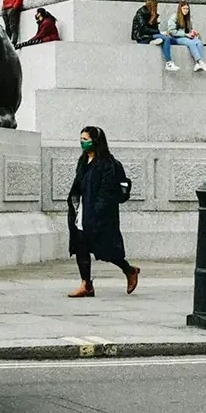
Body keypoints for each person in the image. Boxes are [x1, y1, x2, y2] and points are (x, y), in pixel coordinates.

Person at [66, 126, 141, 297]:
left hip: (101, 215)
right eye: (81, 139)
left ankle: (129, 270)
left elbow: (106, 192)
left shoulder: (108, 164)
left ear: (96, 141)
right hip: (83, 210)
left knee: (107, 249)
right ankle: (86, 285)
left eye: (86, 139)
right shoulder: (83, 161)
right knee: (81, 246)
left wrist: (96, 213)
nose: (82, 143)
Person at [163, 1, 206, 72]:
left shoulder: (187, 18)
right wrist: (185, 34)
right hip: (176, 38)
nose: (186, 10)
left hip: (186, 37)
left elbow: (189, 29)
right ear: (180, 9)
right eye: (184, 8)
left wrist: (193, 32)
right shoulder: (175, 17)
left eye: (187, 9)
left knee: (199, 42)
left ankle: (197, 64)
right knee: (190, 43)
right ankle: (200, 61)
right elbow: (172, 31)